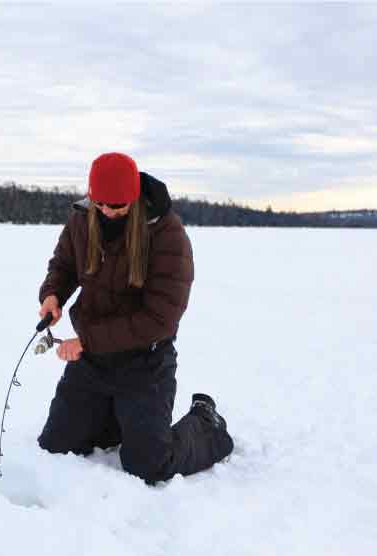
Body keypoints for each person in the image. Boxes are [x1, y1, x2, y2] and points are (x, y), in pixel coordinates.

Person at [36, 152, 234, 485]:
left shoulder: (168, 235)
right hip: (92, 360)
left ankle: (206, 422)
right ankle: (115, 415)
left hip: (145, 362)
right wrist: (52, 295)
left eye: (118, 206)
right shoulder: (83, 218)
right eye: (102, 204)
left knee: (147, 465)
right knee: (56, 447)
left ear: (134, 197)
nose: (108, 211)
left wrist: (87, 340)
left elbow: (160, 319)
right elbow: (64, 265)